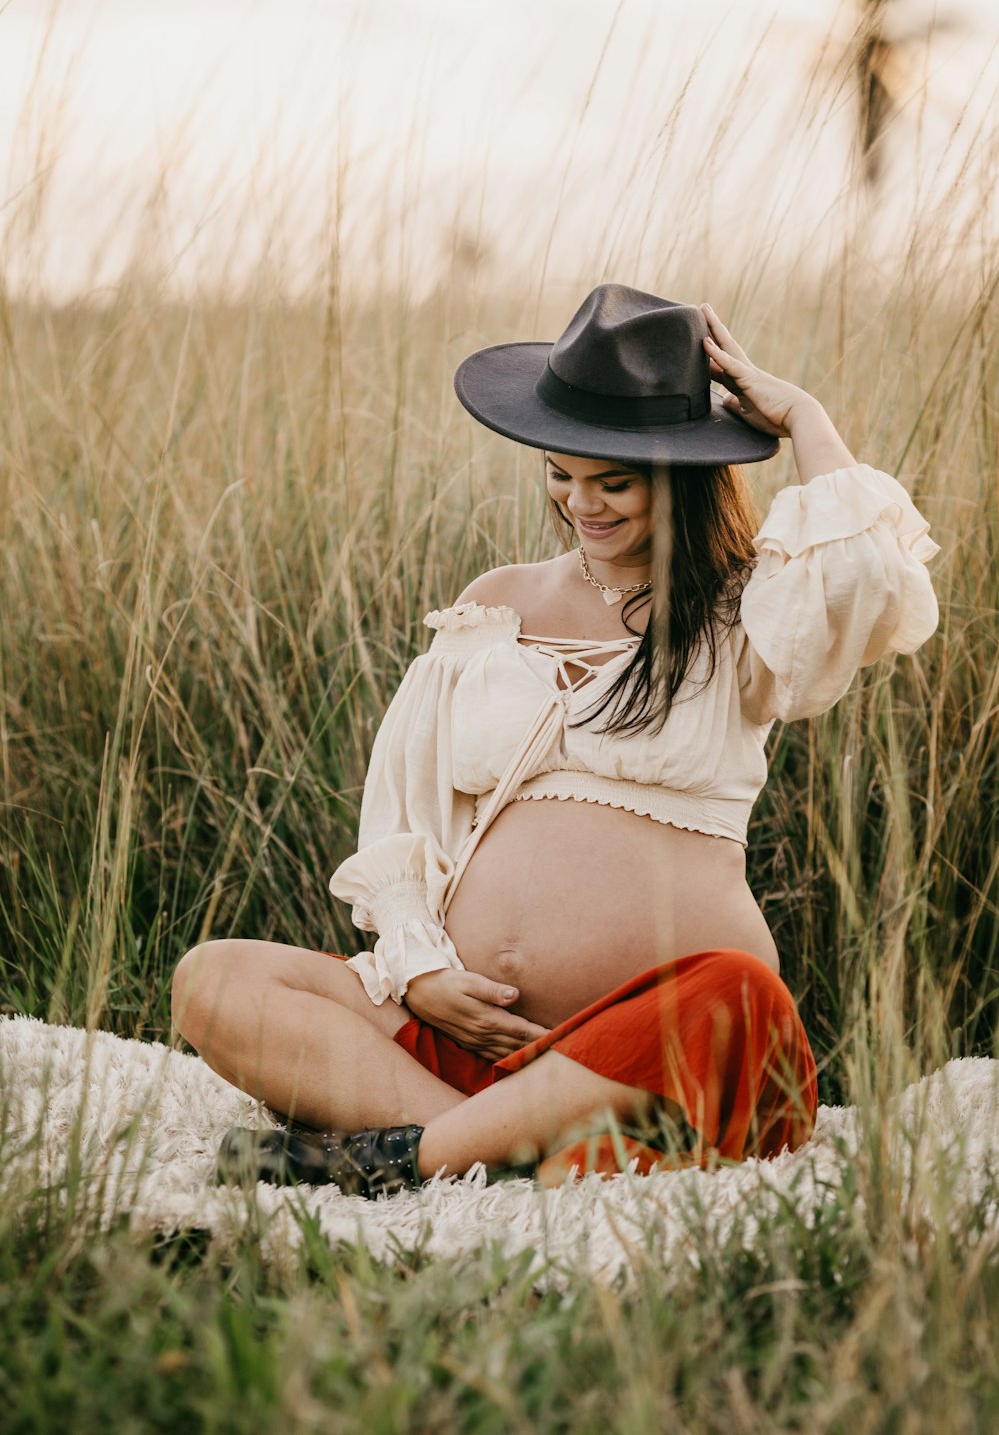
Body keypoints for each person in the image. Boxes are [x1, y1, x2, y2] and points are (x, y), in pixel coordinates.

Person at [171, 284, 940, 1196]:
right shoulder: (500, 600)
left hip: (654, 1055)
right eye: (560, 474)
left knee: (741, 996)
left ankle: (419, 1155)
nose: (582, 504)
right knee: (214, 978)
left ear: (684, 474)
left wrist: (803, 415)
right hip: (461, 1041)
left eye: (613, 481)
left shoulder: (748, 613)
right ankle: (494, 1143)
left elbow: (868, 579)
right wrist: (418, 973)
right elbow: (407, 809)